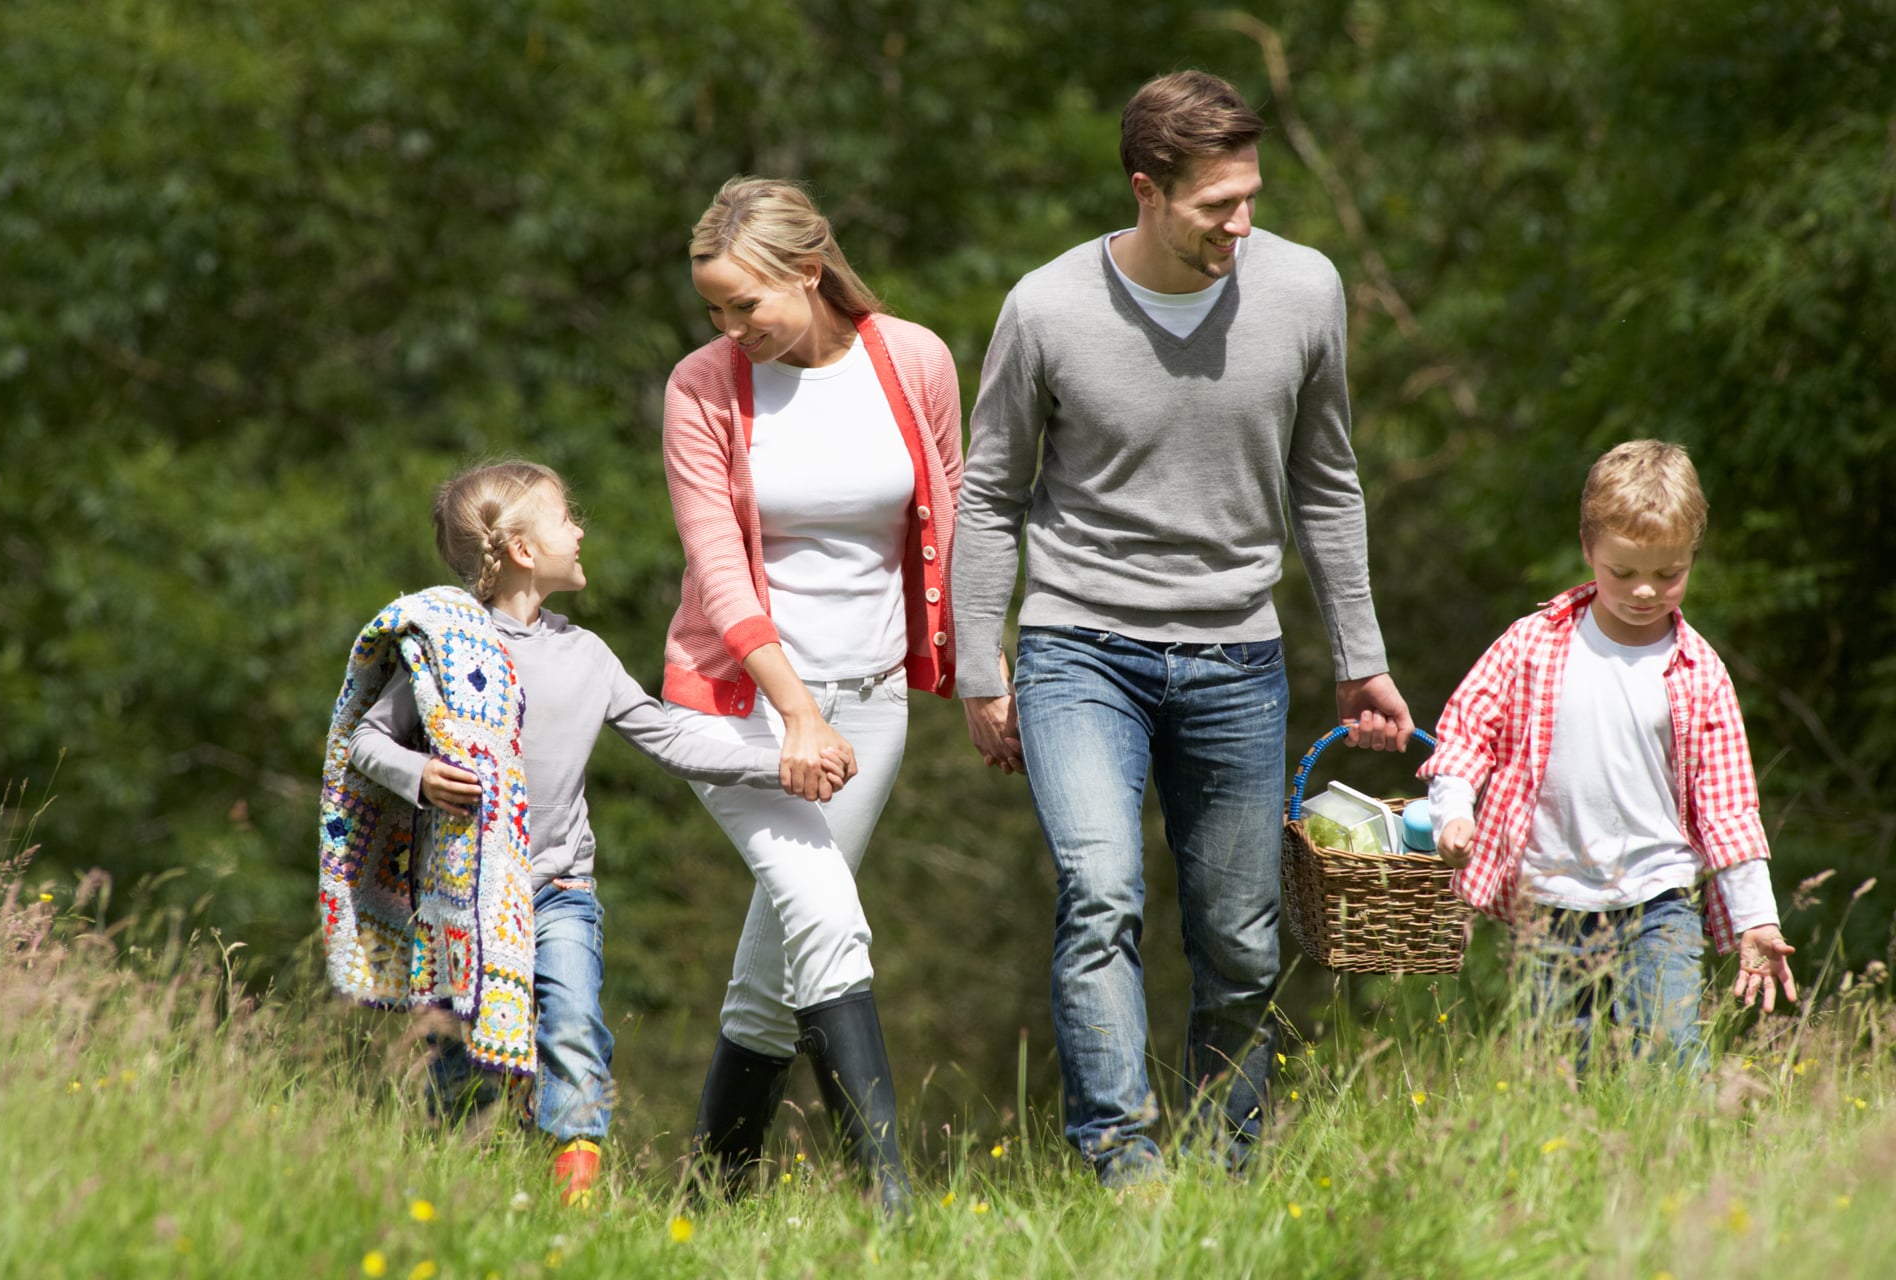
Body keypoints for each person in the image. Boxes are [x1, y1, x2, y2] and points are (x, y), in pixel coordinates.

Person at [951, 71, 1413, 1187]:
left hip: (1236, 656)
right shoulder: (1049, 306)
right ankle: (1124, 1164)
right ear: (1147, 190)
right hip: (1078, 646)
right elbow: (990, 491)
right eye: (1219, 205)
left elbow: (1329, 481)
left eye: (1252, 197)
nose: (1242, 224)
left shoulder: (1304, 290)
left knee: (1243, 939)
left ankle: (1225, 1167)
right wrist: (981, 664)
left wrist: (1362, 657)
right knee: (1103, 891)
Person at [320, 460, 799, 1208]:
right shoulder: (450, 650)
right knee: (458, 1056)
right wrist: (421, 776)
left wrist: (781, 765)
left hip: (561, 891)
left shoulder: (588, 654)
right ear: (519, 548)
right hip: (462, 901)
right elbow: (367, 743)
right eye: (564, 516)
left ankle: (574, 1205)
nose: (580, 529)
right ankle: (464, 1190)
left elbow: (670, 742)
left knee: (574, 1025)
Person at [658, 176, 962, 1214]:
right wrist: (792, 710)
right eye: (715, 310)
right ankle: (896, 1211)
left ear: (811, 270)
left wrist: (979, 681)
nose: (731, 328)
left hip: (870, 708)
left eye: (748, 304)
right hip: (737, 709)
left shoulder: (912, 358)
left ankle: (705, 1208)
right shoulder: (701, 387)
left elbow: (952, 520)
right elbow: (717, 565)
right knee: (830, 919)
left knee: (774, 967)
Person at [1420, 440, 1797, 1073]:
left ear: (1691, 559)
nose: (1645, 590)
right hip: (1548, 902)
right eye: (1623, 572)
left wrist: (1756, 916)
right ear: (1589, 549)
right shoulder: (1531, 645)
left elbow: (1728, 806)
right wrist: (1453, 811)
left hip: (1660, 900)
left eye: (1669, 573)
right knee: (1559, 1068)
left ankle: (1683, 1163)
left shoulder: (1699, 671)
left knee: (1671, 1054)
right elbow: (1464, 734)